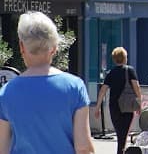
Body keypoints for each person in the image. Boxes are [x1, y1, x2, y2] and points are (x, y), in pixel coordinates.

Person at [0, 12, 93, 154]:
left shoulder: (6, 93)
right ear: (54, 48)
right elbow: (83, 148)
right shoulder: (75, 87)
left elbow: (3, 148)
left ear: (21, 47)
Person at [96, 45, 142, 154]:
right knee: (124, 134)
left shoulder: (111, 73)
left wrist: (97, 107)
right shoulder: (130, 70)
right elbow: (136, 87)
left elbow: (103, 90)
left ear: (114, 59)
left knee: (120, 133)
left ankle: (120, 151)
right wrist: (139, 103)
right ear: (125, 58)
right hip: (127, 106)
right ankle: (121, 151)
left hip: (114, 107)